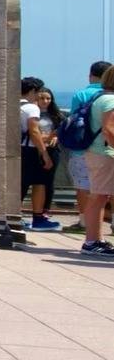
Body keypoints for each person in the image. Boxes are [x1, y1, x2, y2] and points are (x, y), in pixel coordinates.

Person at [63, 61, 109, 241]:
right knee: (106, 190)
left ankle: (84, 223)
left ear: (91, 75)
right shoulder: (109, 97)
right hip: (106, 149)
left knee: (84, 187)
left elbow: (75, 121)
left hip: (82, 149)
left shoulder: (81, 94)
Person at [20, 77, 60, 231]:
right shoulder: (32, 108)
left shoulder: (15, 105)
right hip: (31, 150)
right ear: (32, 91)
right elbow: (34, 131)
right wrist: (44, 153)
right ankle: (38, 218)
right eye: (39, 92)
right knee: (40, 183)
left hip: (19, 149)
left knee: (21, 185)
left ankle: (13, 216)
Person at [86, 74, 114, 257]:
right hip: (105, 153)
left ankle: (95, 240)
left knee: (99, 196)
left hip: (95, 152)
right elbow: (109, 129)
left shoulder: (100, 98)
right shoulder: (111, 101)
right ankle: (92, 241)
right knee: (99, 197)